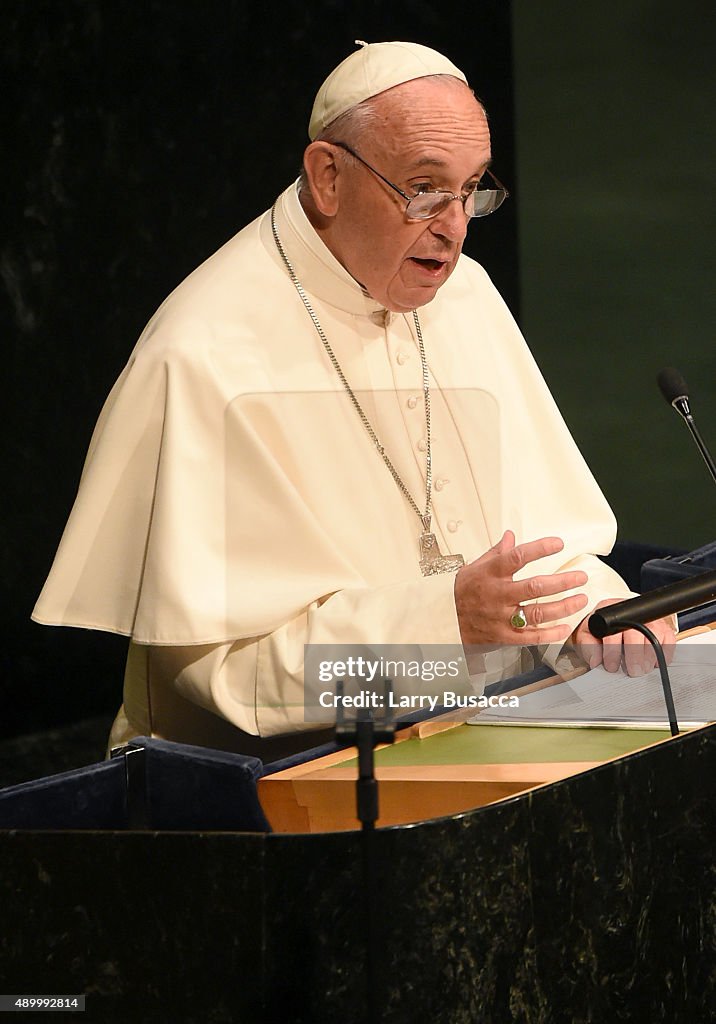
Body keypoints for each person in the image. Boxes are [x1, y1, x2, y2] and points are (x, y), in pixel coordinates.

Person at [32, 41, 674, 757]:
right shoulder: (204, 353)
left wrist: (596, 614)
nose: (454, 228)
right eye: (424, 189)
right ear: (328, 176)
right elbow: (235, 686)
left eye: (470, 191)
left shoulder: (466, 298)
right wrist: (444, 630)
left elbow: (544, 557)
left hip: (484, 744)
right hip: (262, 805)